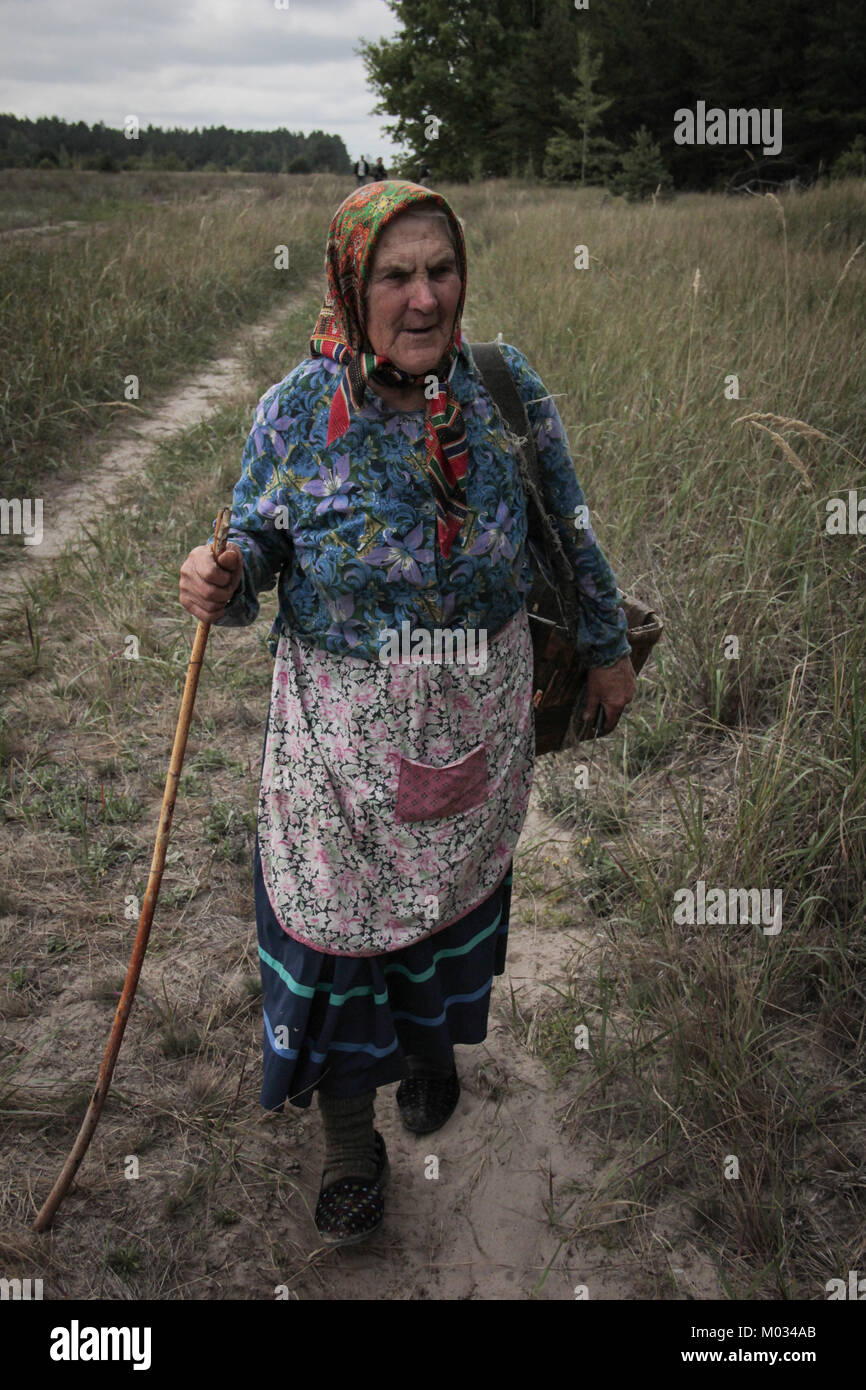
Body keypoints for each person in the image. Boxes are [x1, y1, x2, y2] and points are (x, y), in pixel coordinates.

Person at [178, 180, 635, 1247]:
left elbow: (564, 526)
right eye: (395, 275)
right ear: (350, 283)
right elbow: (256, 554)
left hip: (473, 718)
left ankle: (429, 1053)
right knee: (333, 936)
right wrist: (225, 575)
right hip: (336, 740)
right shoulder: (294, 413)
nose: (423, 297)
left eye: (440, 270)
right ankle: (349, 1141)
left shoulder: (499, 386)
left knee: (443, 912)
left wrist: (607, 646)